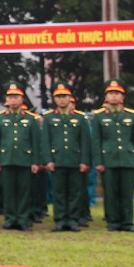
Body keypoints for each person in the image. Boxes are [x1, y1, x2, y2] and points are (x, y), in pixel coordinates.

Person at [0, 84, 41, 232]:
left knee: (24, 191)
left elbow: (35, 142)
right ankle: (10, 218)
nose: (13, 100)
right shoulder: (0, 118)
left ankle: (23, 219)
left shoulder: (30, 119)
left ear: (22, 99)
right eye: (10, 97)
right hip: (6, 159)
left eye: (16, 97)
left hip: (25, 160)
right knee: (8, 192)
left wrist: (36, 161)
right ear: (6, 99)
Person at [92, 80, 134, 232]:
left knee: (127, 193)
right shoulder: (99, 116)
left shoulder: (130, 115)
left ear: (122, 97)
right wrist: (99, 162)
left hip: (127, 159)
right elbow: (97, 141)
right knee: (111, 193)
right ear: (106, 96)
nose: (114, 96)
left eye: (117, 93)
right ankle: (113, 221)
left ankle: (127, 222)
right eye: (111, 93)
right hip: (108, 160)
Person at [41, 83, 92, 233]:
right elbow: (46, 141)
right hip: (57, 161)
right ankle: (60, 220)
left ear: (70, 98)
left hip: (75, 161)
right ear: (54, 99)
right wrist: (48, 160)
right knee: (59, 192)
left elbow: (85, 142)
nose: (62, 100)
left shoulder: (80, 118)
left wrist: (84, 161)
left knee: (75, 192)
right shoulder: (49, 118)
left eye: (64, 96)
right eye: (58, 97)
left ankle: (73, 220)